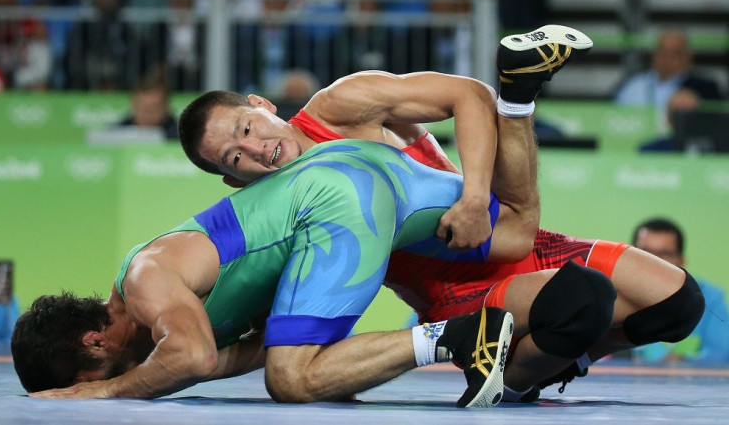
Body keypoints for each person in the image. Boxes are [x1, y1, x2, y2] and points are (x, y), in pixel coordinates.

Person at [181, 24, 705, 401]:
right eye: (235, 158)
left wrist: (475, 195)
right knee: (581, 300)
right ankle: (520, 375)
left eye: (246, 128)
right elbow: (268, 324)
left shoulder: (341, 105)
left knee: (679, 303)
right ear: (234, 179)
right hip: (458, 290)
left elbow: (468, 95)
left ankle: (554, 363)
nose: (256, 149)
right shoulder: (276, 215)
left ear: (262, 105)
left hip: (493, 226)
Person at [14, 139, 516, 409]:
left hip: (331, 203)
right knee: (519, 225)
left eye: (97, 376)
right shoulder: (168, 312)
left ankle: (465, 335)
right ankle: (519, 108)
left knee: (291, 380)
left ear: (95, 342)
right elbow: (207, 359)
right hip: (355, 172)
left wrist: (105, 392)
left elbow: (193, 356)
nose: (120, 379)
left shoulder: (146, 280)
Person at [632, 218, 729, 364]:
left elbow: (721, 354)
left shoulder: (711, 297)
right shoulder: (613, 296)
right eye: (644, 253)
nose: (652, 261)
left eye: (664, 254)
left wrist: (682, 363)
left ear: (681, 262)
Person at [613, 29, 722, 133]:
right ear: (653, 55)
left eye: (675, 53)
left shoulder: (705, 89)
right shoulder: (633, 84)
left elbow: (715, 126)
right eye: (662, 52)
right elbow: (610, 117)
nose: (667, 59)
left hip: (677, 148)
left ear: (688, 58)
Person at [118, 71, 178, 140]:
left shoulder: (183, 138)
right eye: (142, 108)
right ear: (133, 105)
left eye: (153, 108)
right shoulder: (115, 133)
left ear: (166, 108)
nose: (147, 114)